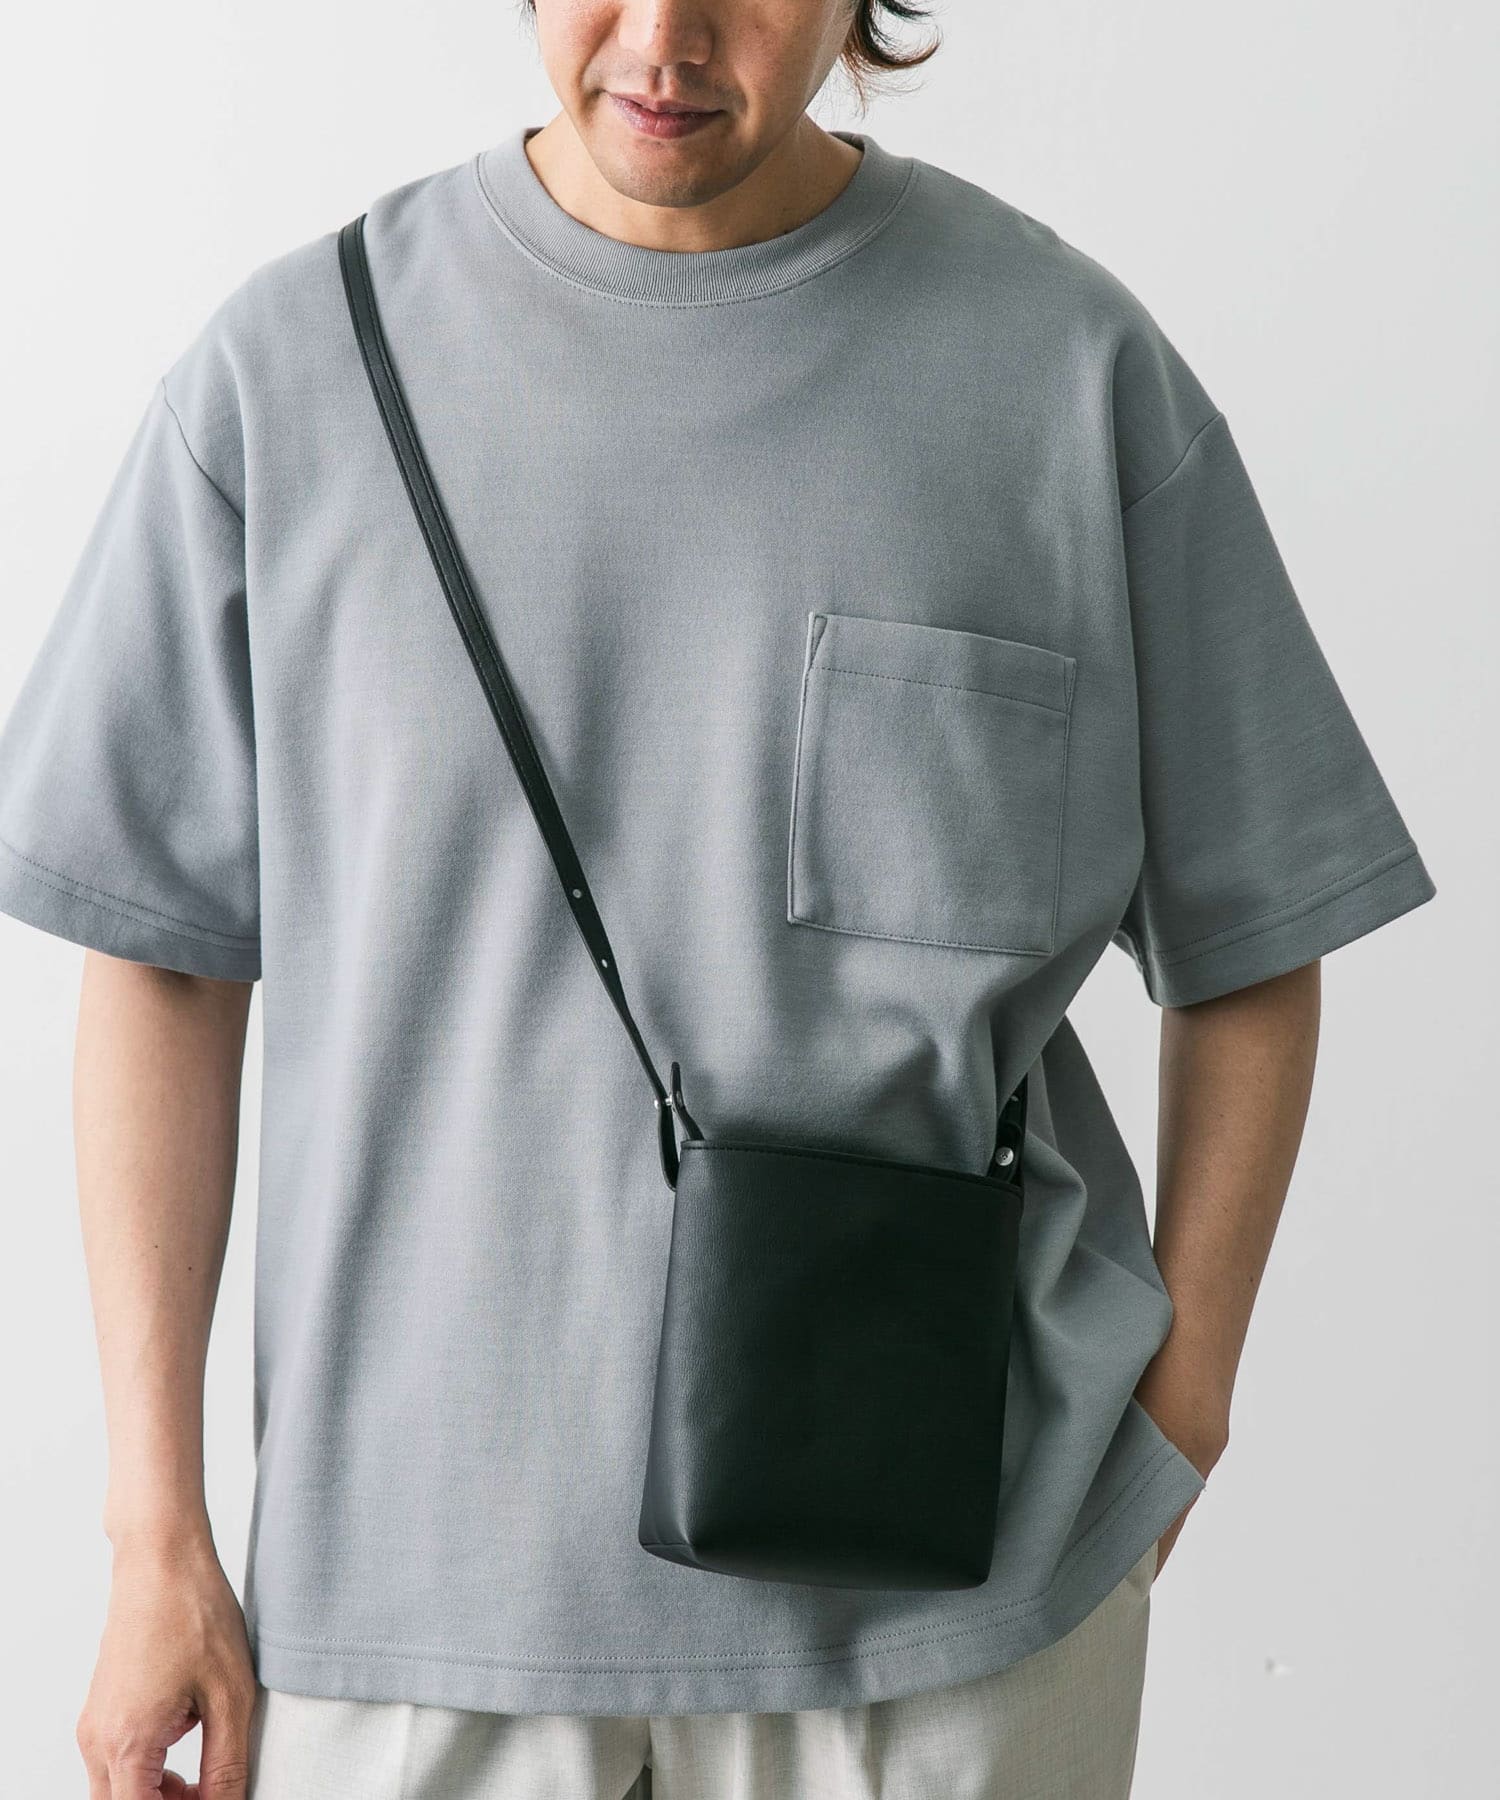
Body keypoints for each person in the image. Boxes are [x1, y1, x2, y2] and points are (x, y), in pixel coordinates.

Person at [0, 1, 1437, 1796]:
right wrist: (154, 1533)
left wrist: (1189, 1399)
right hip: (409, 1607)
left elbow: (1255, 933)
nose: (664, 36)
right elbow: (161, 965)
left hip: (954, 1601)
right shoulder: (290, 376)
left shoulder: (1066, 369)